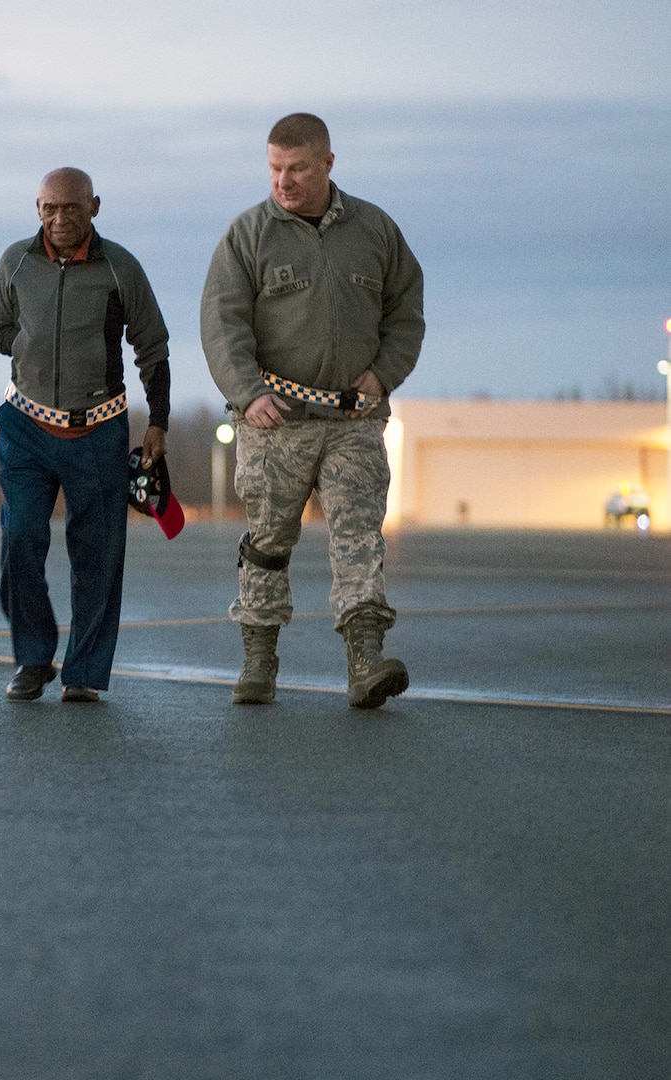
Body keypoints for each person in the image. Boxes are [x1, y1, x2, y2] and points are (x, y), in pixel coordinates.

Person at [200, 112, 424, 709]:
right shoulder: (248, 236)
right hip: (277, 423)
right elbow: (222, 325)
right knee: (269, 543)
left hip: (353, 422)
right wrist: (248, 394)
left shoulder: (375, 231)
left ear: (328, 163)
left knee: (358, 534)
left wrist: (383, 374)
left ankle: (365, 663)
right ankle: (258, 661)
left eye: (296, 168)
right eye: (274, 168)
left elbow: (405, 314)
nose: (283, 181)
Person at [0, 167, 171, 703]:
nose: (59, 218)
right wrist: (31, 346)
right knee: (20, 535)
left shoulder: (120, 268)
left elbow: (153, 346)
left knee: (98, 554)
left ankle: (84, 672)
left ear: (94, 207)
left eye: (71, 208)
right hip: (25, 426)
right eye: (49, 208)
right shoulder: (16, 261)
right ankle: (33, 658)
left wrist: (158, 420)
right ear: (36, 208)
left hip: (99, 430)